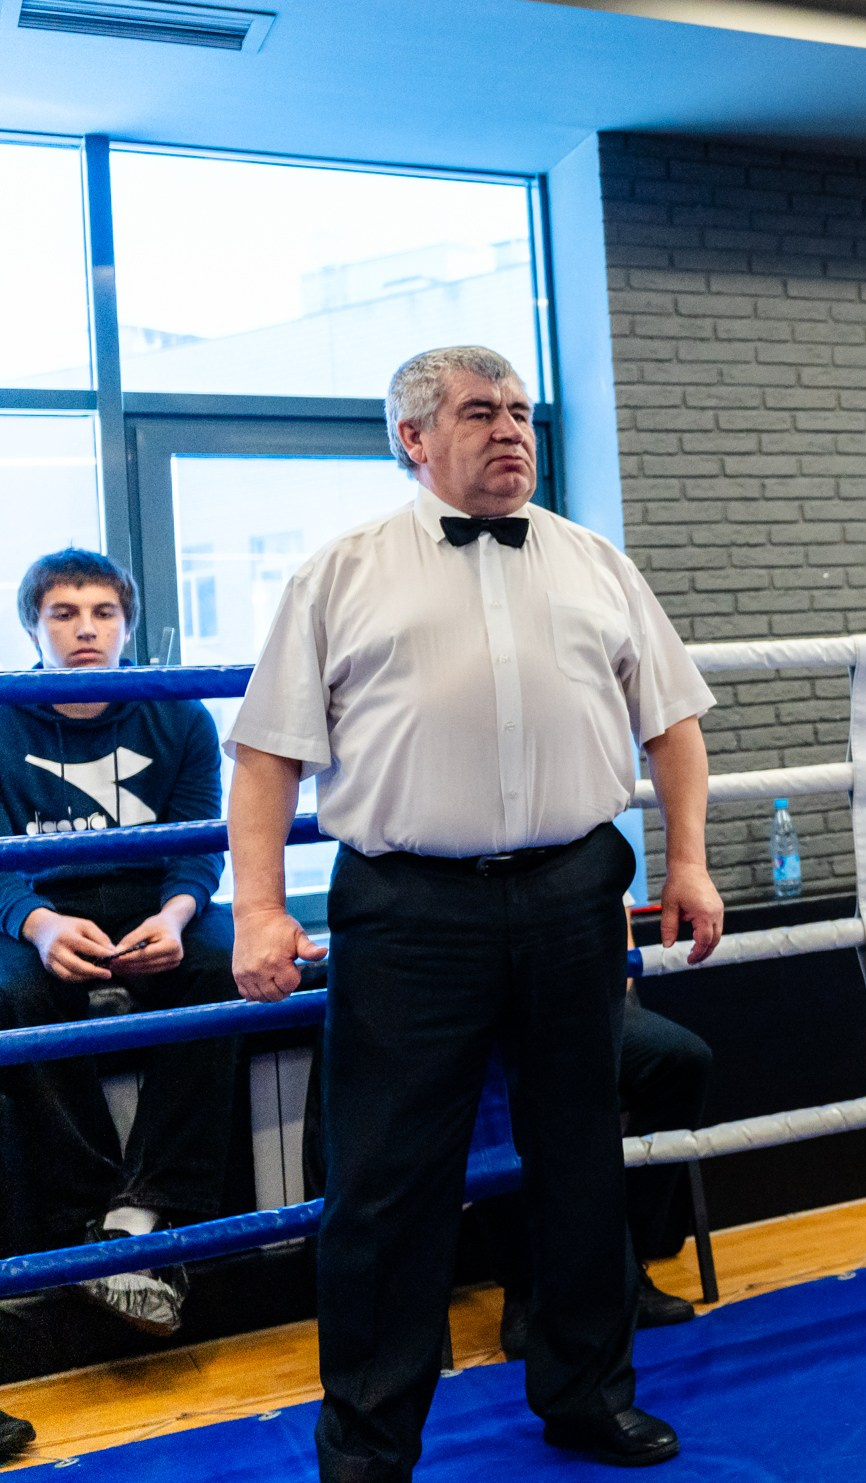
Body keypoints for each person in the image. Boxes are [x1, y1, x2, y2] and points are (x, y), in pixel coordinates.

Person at [226, 345, 725, 1482]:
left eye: (518, 412)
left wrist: (687, 860)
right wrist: (258, 909)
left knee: (580, 1159)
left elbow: (674, 726)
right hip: (409, 906)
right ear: (413, 437)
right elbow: (264, 758)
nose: (509, 430)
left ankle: (587, 1394)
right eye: (477, 413)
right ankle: (368, 1442)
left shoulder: (595, 561)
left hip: (572, 893)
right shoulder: (339, 572)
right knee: (387, 1186)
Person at [0, 548, 233, 1337]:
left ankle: (141, 1210)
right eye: (63, 613)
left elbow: (201, 844)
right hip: (44, 903)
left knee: (223, 964)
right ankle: (88, 1216)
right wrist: (38, 924)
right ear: (33, 626)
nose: (85, 629)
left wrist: (173, 917)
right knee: (13, 993)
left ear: (127, 625)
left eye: (102, 612)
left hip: (149, 902)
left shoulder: (179, 713)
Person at [493, 998, 714, 1361]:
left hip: (582, 999)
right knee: (505, 1081)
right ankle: (527, 1291)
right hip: (491, 1019)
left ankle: (625, 1271)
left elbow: (619, 946)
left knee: (683, 1059)